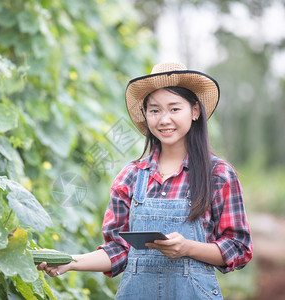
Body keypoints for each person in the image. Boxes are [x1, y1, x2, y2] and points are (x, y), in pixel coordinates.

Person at [37, 62, 253, 299]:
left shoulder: (218, 175)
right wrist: (70, 261)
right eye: (154, 110)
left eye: (174, 109)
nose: (164, 120)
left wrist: (187, 248)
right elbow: (118, 250)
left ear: (195, 111)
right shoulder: (130, 177)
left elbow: (239, 248)